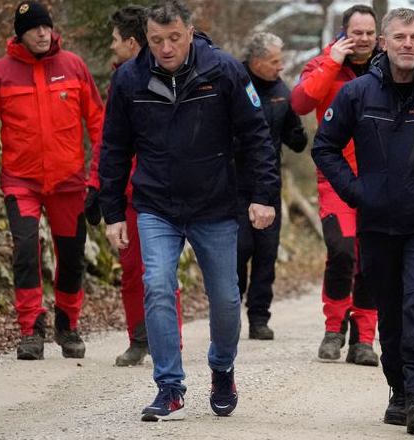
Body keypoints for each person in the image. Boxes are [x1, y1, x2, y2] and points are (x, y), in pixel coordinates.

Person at [98, 0, 278, 421]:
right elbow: (113, 150)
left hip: (214, 204)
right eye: (157, 40)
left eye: (174, 38)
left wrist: (264, 195)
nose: (165, 48)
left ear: (190, 31)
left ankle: (221, 369)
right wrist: (112, 212)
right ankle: (170, 386)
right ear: (146, 38)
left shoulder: (224, 70)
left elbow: (256, 136)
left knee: (225, 297)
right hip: (156, 204)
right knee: (158, 286)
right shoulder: (129, 79)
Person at [313, 8, 414, 436]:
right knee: (390, 312)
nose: (408, 44)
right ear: (384, 43)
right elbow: (325, 147)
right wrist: (355, 192)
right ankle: (399, 391)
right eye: (400, 37)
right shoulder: (357, 94)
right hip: (376, 224)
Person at [0, 1, 104, 360]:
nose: (43, 33)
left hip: (69, 182)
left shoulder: (74, 67)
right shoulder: (0, 73)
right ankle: (31, 329)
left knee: (73, 257)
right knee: (26, 253)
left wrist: (98, 176)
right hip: (21, 183)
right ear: (21, 34)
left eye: (46, 27)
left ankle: (68, 323)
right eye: (34, 28)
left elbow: (99, 125)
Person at [291, 4, 380, 366]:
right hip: (337, 178)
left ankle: (364, 339)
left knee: (372, 258)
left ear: (378, 36)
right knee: (342, 251)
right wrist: (332, 61)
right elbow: (300, 102)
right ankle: (333, 328)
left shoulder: (389, 66)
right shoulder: (321, 64)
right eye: (356, 33)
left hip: (380, 179)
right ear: (344, 33)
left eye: (369, 33)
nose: (362, 40)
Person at [103, 5, 183, 367]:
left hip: (166, 191)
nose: (111, 47)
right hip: (131, 194)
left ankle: (171, 342)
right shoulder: (119, 82)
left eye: (116, 40)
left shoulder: (173, 75)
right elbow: (111, 144)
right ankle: (139, 338)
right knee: (133, 268)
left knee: (163, 273)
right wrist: (104, 193)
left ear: (132, 42)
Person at [236, 32, 308, 340]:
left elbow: (294, 133)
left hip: (268, 184)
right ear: (256, 62)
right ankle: (230, 307)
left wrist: (298, 136)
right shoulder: (234, 82)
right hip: (234, 183)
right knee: (240, 248)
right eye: (275, 61)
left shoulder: (282, 91)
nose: (281, 67)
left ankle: (259, 318)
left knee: (266, 253)